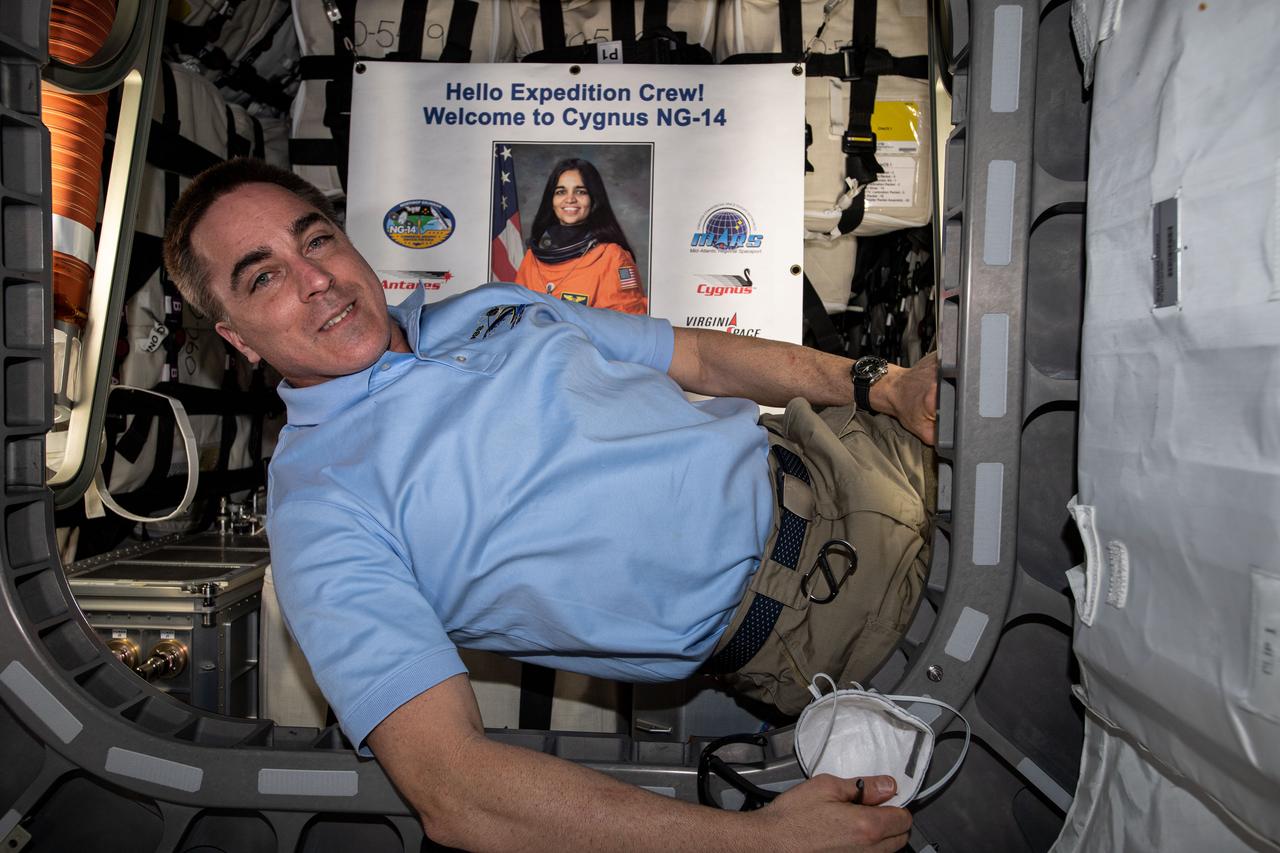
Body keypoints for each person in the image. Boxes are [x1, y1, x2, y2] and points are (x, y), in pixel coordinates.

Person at [163, 157, 938, 852]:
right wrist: (761, 843)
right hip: (834, 624)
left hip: (859, 449)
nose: (316, 279)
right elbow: (454, 785)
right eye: (264, 275)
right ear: (238, 339)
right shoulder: (319, 510)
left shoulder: (487, 306)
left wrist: (882, 383)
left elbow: (697, 355)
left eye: (317, 240)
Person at [514, 157, 650, 314]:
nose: (570, 199)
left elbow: (628, 324)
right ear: (551, 200)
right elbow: (517, 314)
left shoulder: (613, 258)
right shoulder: (534, 256)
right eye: (561, 192)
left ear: (593, 199)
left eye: (580, 191)